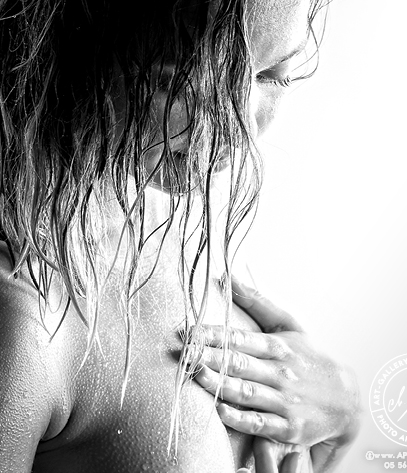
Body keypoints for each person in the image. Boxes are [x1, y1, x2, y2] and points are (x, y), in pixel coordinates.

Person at [0, 0, 360, 471]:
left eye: (273, 75)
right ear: (74, 41)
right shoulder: (25, 314)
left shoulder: (175, 210)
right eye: (185, 81)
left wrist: (343, 404)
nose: (240, 133)